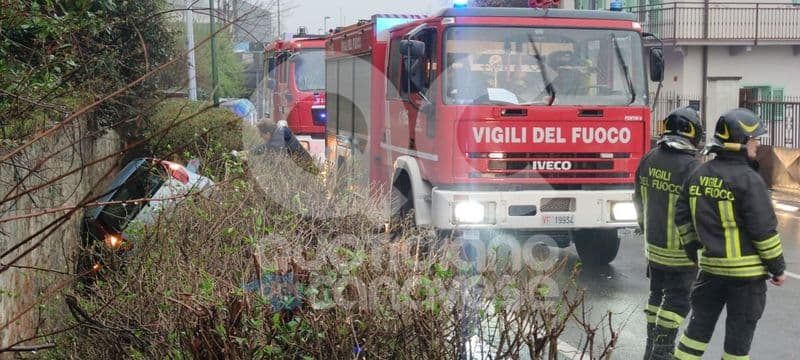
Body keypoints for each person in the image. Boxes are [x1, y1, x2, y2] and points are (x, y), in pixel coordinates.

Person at [673, 108, 786, 359]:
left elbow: (681, 217)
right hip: (746, 280)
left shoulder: (697, 174)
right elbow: (764, 232)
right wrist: (777, 268)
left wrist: (696, 254)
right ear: (742, 141)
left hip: (710, 272)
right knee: (737, 344)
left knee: (695, 333)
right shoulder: (749, 180)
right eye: (756, 139)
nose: (758, 144)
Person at [633, 107, 703, 360]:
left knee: (655, 296)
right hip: (681, 254)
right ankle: (662, 352)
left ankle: (651, 347)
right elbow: (698, 214)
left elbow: (638, 200)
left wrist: (646, 230)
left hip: (653, 248)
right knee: (677, 303)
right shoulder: (693, 168)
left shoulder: (649, 158)